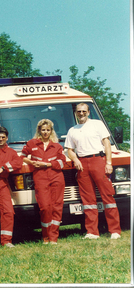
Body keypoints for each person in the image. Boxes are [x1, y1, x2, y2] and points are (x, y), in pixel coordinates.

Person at [65, 103, 121, 240]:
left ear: (89, 112)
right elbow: (69, 150)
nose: (81, 113)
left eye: (84, 111)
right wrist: (76, 160)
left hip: (98, 160)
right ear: (76, 113)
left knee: (108, 197)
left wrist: (108, 163)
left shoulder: (97, 124)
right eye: (79, 111)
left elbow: (107, 143)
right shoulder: (72, 130)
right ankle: (92, 232)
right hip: (83, 164)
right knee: (88, 200)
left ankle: (114, 230)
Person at [21, 119, 66, 244]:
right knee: (45, 207)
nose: (45, 132)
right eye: (43, 130)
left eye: (48, 130)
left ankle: (53, 237)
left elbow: (62, 162)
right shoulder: (32, 143)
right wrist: (31, 162)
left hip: (56, 177)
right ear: (39, 130)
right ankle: (46, 236)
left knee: (57, 207)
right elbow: (22, 157)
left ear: (51, 131)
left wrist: (46, 164)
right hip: (40, 178)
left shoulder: (57, 146)